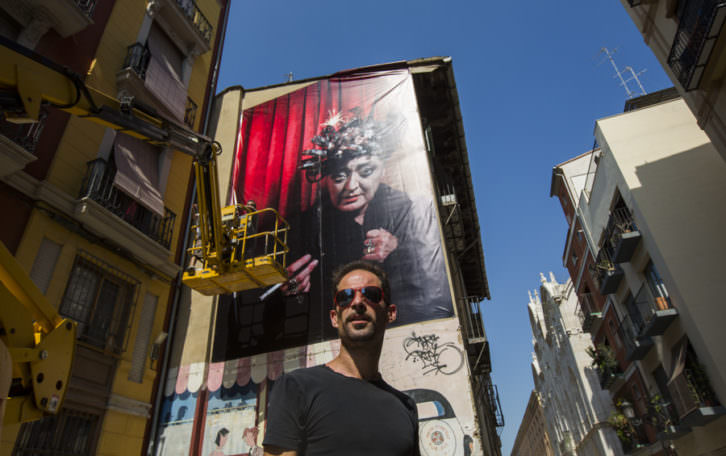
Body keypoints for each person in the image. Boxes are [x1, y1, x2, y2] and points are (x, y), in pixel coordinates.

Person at [285, 110, 451, 327]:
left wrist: (398, 252)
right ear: (325, 179)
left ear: (382, 170)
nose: (351, 186)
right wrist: (293, 295)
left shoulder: (410, 212)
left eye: (365, 171)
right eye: (339, 176)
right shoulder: (304, 228)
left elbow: (429, 290)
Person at [263, 260, 420, 455]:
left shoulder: (405, 407)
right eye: (345, 297)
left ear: (390, 313)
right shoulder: (296, 387)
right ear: (334, 317)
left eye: (370, 294)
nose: (357, 302)